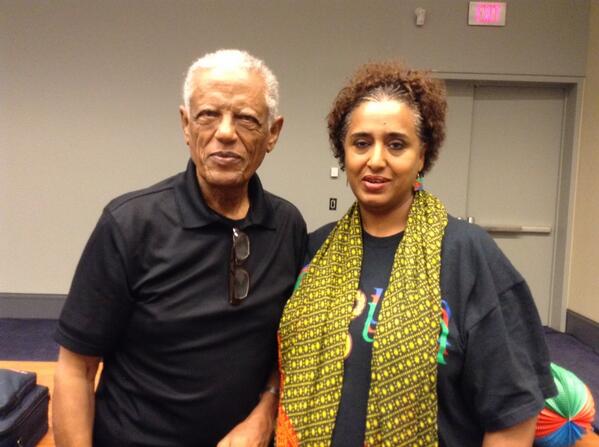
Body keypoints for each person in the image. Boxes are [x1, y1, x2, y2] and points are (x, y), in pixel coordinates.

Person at [276, 62, 557, 447]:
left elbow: (513, 414)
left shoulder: (468, 255)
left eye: (396, 144)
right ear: (344, 153)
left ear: (422, 155)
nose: (376, 159)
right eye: (361, 143)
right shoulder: (315, 250)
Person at [53, 49, 307, 447]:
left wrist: (265, 414)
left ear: (272, 133)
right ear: (186, 125)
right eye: (208, 115)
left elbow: (283, 346)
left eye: (246, 119)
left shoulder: (287, 226)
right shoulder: (130, 224)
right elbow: (76, 371)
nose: (226, 132)